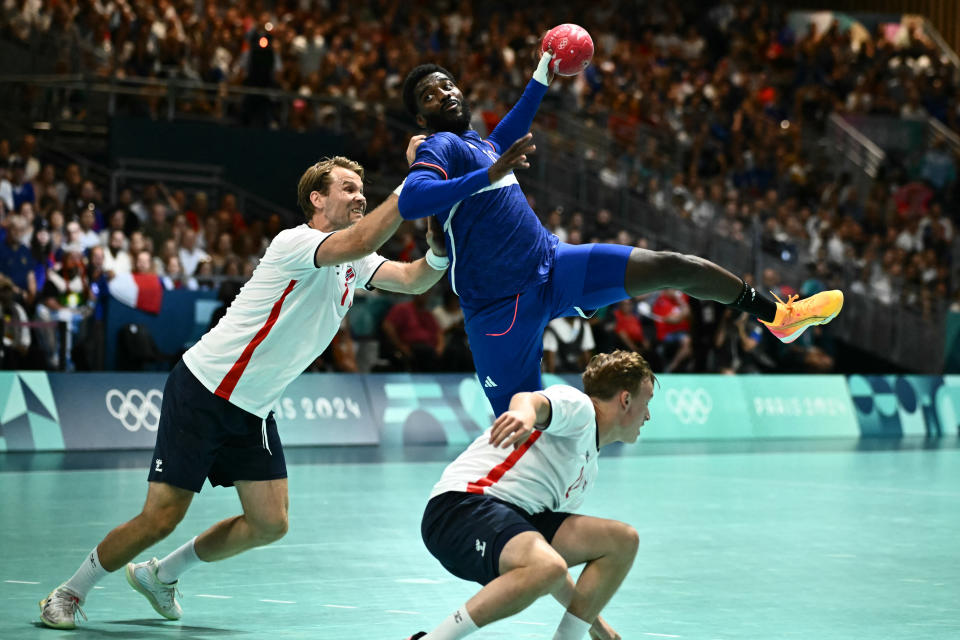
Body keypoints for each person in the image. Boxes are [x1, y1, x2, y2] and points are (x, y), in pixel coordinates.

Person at [38, 143, 452, 629]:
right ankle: (67, 593)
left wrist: (439, 248)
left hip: (253, 408)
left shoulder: (353, 261)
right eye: (348, 188)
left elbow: (412, 279)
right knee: (161, 517)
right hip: (205, 388)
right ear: (317, 199)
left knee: (269, 522)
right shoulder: (295, 242)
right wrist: (412, 186)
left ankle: (160, 575)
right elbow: (360, 240)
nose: (360, 196)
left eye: (363, 190)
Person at [398, 52, 844, 414]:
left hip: (553, 266)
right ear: (421, 117)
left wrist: (541, 74)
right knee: (521, 428)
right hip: (498, 308)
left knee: (672, 265)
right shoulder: (442, 146)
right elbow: (412, 200)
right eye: (429, 94)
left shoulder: (482, 144)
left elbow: (511, 128)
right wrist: (490, 174)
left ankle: (777, 318)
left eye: (446, 84)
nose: (443, 92)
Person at [405, 350, 656, 640]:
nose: (648, 414)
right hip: (459, 508)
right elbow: (530, 401)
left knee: (621, 541)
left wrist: (598, 627)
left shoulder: (586, 472)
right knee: (547, 565)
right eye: (646, 402)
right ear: (626, 399)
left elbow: (552, 572)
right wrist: (523, 416)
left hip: (512, 518)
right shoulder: (581, 408)